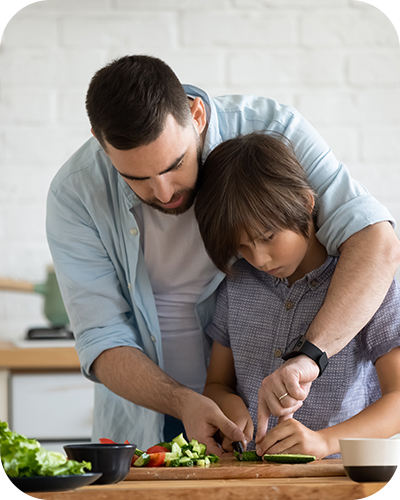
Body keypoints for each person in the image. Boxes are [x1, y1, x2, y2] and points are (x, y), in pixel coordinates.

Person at [46, 55, 400, 453]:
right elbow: (101, 337)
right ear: (99, 140)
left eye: (175, 164)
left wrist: (310, 357)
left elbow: (374, 239)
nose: (164, 194)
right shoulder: (74, 194)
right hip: (149, 415)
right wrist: (188, 401)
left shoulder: (274, 130)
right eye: (136, 179)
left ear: (196, 115)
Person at [194, 132, 400, 458]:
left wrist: (324, 442)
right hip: (249, 479)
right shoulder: (237, 285)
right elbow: (217, 384)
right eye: (242, 246)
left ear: (305, 204)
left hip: (338, 479)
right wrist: (230, 408)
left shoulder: (368, 282)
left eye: (268, 237)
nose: (258, 258)